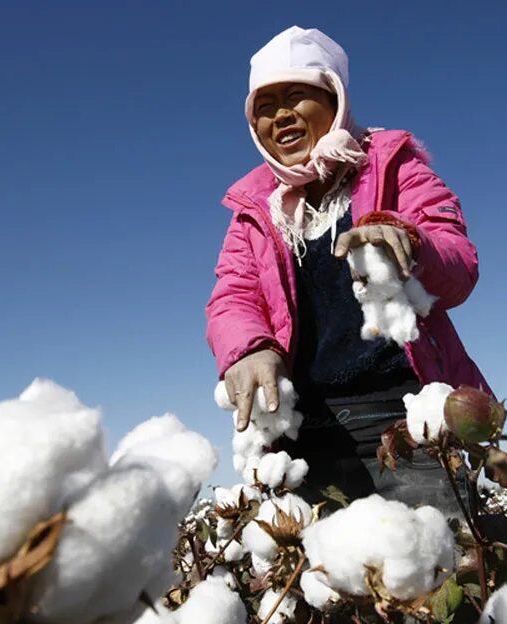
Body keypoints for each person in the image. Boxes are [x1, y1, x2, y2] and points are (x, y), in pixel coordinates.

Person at [206, 26, 489, 511]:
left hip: (407, 419)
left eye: (296, 95)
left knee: (432, 571)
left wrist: (408, 243)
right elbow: (234, 294)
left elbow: (458, 262)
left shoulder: (393, 167)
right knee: (321, 582)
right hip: (306, 435)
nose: (281, 115)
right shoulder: (255, 207)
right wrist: (249, 349)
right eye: (265, 106)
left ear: (334, 99)